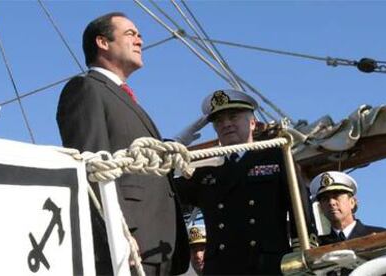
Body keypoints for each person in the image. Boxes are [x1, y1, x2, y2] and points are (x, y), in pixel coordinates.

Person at [56, 12, 189, 275]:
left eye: (139, 34)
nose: (140, 40)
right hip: (130, 245)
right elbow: (93, 169)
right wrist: (116, 235)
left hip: (160, 244)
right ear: (102, 43)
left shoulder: (123, 97)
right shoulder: (85, 89)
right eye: (130, 33)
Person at [175, 89, 301, 275]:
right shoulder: (205, 172)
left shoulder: (276, 157)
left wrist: (303, 252)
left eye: (233, 117)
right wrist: (174, 144)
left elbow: (299, 208)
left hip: (266, 266)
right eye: (219, 121)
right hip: (221, 269)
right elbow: (162, 187)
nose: (226, 124)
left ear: (252, 123)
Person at [310, 171, 386, 245]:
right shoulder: (318, 245)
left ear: (352, 202)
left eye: (336, 196)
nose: (331, 203)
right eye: (325, 199)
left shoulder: (381, 235)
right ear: (321, 208)